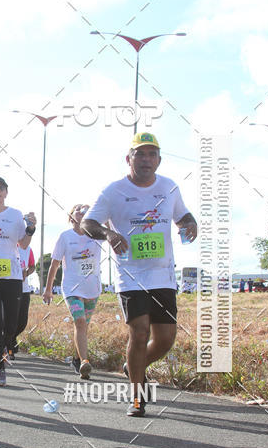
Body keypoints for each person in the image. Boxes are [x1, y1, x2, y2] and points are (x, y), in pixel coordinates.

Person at [82, 132, 197, 417]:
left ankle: (133, 366)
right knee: (140, 330)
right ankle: (137, 396)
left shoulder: (169, 187)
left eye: (151, 154)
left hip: (163, 276)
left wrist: (190, 223)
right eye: (140, 154)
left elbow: (183, 216)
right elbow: (88, 223)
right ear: (129, 158)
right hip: (131, 275)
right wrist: (109, 233)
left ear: (159, 160)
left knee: (166, 338)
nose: (146, 160)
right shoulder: (114, 191)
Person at [0, 176, 36, 386]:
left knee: (11, 324)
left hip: (12, 276)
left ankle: (6, 343)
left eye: (2, 188)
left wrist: (30, 229)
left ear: (6, 193)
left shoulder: (15, 214)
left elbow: (23, 242)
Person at [43, 204, 102, 379]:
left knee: (84, 326)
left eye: (86, 210)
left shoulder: (97, 236)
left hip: (92, 289)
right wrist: (48, 290)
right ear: (71, 216)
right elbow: (55, 264)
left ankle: (77, 359)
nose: (82, 212)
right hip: (72, 288)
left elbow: (111, 224)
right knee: (80, 322)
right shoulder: (65, 237)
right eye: (78, 209)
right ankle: (85, 361)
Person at [10, 245, 35, 358]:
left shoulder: (28, 249)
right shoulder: (6, 246)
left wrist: (27, 272)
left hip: (24, 289)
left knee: (22, 322)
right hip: (9, 288)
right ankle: (8, 346)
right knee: (11, 319)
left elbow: (32, 266)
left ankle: (10, 337)